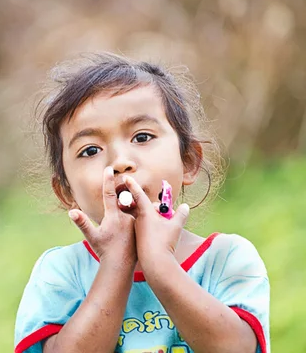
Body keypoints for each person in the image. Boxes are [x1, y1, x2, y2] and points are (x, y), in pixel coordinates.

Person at [14, 53, 270, 353]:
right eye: (90, 150)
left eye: (142, 136)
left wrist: (160, 264)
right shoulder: (59, 273)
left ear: (188, 162)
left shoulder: (226, 259)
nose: (120, 162)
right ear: (66, 192)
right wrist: (116, 263)